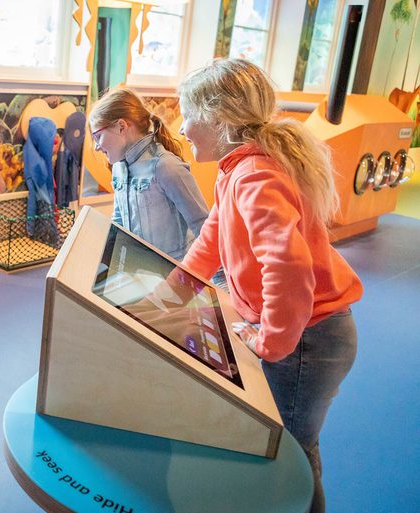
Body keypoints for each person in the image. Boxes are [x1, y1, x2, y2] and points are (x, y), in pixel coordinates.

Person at [177, 58, 363, 513]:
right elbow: (212, 240)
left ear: (219, 120)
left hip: (308, 339)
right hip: (304, 332)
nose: (181, 128)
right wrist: (172, 292)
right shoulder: (236, 169)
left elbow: (288, 264)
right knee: (287, 446)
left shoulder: (255, 174)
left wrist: (272, 341)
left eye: (189, 116)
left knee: (294, 452)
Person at [89, 86, 209, 261]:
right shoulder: (118, 168)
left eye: (98, 137)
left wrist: (213, 283)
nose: (97, 147)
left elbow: (203, 226)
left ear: (121, 127)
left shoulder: (166, 166)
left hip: (173, 272)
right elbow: (119, 222)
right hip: (138, 269)